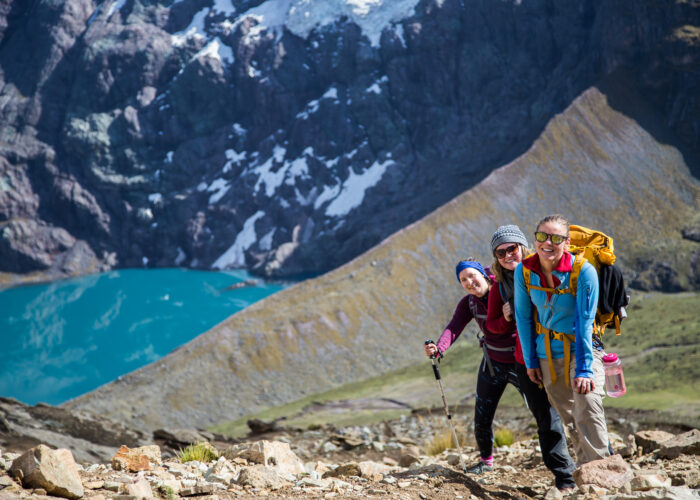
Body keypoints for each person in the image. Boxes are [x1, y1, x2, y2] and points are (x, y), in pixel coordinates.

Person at [514, 214, 610, 465]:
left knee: (587, 403)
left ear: (567, 243)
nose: (548, 243)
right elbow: (523, 318)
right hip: (546, 352)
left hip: (583, 348)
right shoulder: (524, 271)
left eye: (556, 238)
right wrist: (530, 361)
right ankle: (586, 472)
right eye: (542, 236)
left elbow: (585, 322)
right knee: (569, 417)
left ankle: (603, 472)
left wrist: (584, 368)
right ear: (535, 240)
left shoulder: (583, 271)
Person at [485, 224, 576, 489]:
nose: (507, 256)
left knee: (580, 412)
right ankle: (565, 477)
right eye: (500, 253)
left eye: (511, 249)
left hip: (562, 354)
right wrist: (504, 318)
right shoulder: (499, 287)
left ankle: (599, 464)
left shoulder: (545, 271)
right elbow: (490, 327)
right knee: (547, 420)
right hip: (526, 361)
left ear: (522, 247)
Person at [424, 258, 523, 475]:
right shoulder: (468, 303)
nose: (469, 282)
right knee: (482, 415)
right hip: (492, 364)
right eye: (463, 280)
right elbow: (454, 328)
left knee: (541, 411)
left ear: (483, 274)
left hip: (521, 362)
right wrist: (438, 348)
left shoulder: (506, 290)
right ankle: (486, 462)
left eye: (472, 275)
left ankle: (558, 457)